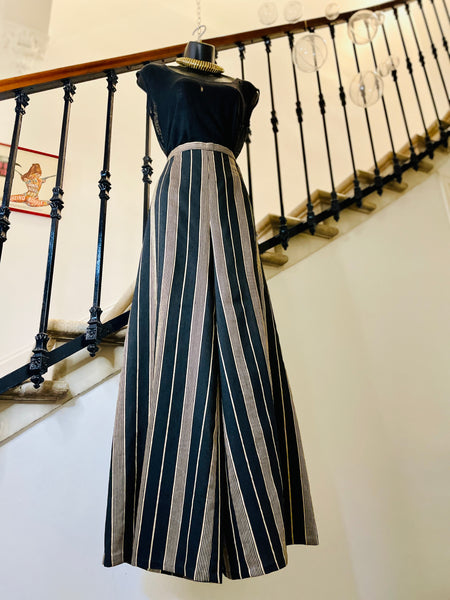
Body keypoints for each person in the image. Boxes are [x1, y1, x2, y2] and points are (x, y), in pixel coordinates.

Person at [103, 40, 319, 583]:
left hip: (228, 197)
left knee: (247, 342)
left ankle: (256, 522)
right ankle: (166, 526)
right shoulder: (157, 74)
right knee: (172, 339)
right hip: (178, 194)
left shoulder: (242, 89)